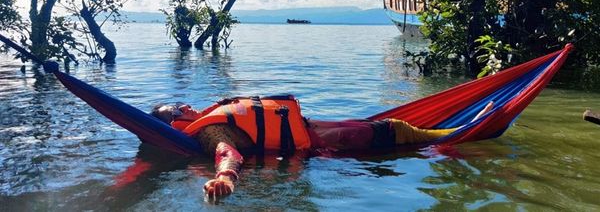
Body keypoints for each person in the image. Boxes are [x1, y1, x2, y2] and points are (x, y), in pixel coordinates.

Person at [151, 97, 494, 199]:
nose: (187, 108)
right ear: (176, 124)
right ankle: (455, 135)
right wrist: (226, 178)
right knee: (394, 131)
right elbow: (228, 153)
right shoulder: (209, 131)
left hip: (314, 131)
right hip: (320, 144)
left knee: (388, 129)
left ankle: (445, 135)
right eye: (178, 112)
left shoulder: (209, 117)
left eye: (180, 104)